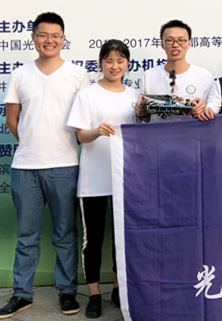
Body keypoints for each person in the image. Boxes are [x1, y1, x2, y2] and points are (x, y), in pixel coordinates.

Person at [0, 12, 90, 319]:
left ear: (64, 39)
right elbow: (13, 119)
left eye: (56, 35)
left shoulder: (78, 75)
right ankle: (22, 294)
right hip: (26, 167)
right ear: (34, 38)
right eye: (43, 35)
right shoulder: (20, 74)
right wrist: (32, 143)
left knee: (65, 234)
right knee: (27, 236)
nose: (49, 40)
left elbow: (84, 119)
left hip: (65, 165)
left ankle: (67, 292)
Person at [66, 40, 138, 318]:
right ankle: (94, 293)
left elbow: (141, 133)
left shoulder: (135, 96)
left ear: (127, 64)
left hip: (125, 180)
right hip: (93, 179)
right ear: (101, 63)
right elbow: (80, 136)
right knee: (92, 239)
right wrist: (96, 131)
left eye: (120, 61)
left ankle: (119, 287)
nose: (114, 66)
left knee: (122, 237)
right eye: (109, 61)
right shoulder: (87, 95)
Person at [136, 20, 213, 122]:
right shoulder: (149, 76)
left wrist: (204, 107)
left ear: (189, 43)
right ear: (162, 44)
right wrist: (141, 111)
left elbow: (211, 112)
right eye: (169, 40)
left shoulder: (204, 76)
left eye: (181, 40)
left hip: (192, 131)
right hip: (159, 131)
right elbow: (146, 119)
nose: (175, 45)